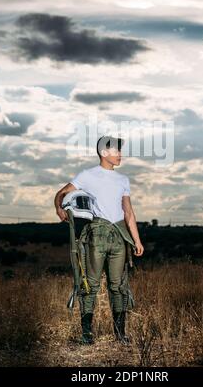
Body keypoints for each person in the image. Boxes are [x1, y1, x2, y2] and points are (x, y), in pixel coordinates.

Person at [54, 135, 144, 344]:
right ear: (104, 153)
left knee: (118, 285)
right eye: (116, 151)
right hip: (96, 235)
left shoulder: (123, 180)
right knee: (90, 285)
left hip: (119, 237)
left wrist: (137, 241)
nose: (120, 154)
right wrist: (59, 207)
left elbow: (129, 212)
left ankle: (120, 334)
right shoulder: (88, 175)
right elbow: (62, 192)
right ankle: (87, 335)